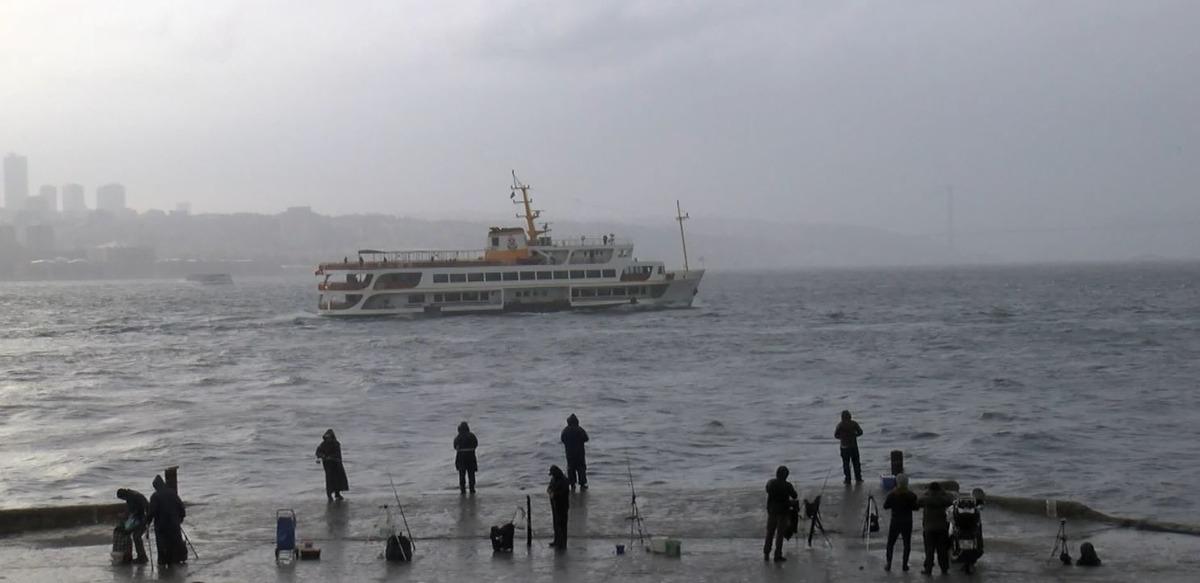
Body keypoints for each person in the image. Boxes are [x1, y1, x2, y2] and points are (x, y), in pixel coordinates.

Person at [146, 475, 187, 566]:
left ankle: (164, 561)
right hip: (174, 523)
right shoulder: (172, 493)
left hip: (162, 525)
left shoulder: (155, 496)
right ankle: (178, 558)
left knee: (162, 544)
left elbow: (152, 512)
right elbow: (181, 506)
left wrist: (147, 523)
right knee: (176, 541)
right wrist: (180, 518)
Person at [883, 473, 919, 572]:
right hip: (907, 522)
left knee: (890, 543)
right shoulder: (911, 495)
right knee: (907, 544)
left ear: (896, 483)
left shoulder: (892, 494)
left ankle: (889, 563)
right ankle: (904, 565)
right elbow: (916, 508)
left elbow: (885, 506)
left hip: (895, 521)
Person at [763, 465, 799, 562]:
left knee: (770, 532)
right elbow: (794, 496)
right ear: (786, 475)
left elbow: (767, 490)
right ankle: (777, 555)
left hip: (771, 511)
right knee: (780, 534)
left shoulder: (771, 483)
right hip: (782, 512)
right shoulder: (787, 485)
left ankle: (766, 552)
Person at [918, 481, 954, 575]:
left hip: (928, 528)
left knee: (929, 550)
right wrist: (943, 492)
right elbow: (951, 500)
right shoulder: (943, 499)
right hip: (942, 528)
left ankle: (928, 569)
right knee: (942, 550)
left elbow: (918, 502)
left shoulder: (926, 499)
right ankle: (944, 569)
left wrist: (927, 493)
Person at [116, 488, 150, 564]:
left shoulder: (131, 497)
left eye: (122, 498)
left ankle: (142, 557)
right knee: (135, 536)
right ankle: (140, 556)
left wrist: (124, 516)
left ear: (123, 496)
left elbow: (132, 511)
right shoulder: (133, 494)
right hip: (144, 516)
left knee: (136, 536)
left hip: (142, 518)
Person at [316, 429, 350, 501]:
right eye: (327, 437)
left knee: (338, 479)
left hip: (336, 465)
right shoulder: (323, 444)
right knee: (329, 480)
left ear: (332, 437)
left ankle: (337, 494)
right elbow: (318, 452)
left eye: (329, 437)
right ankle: (329, 495)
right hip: (328, 466)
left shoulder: (336, 444)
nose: (328, 439)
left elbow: (337, 454)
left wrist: (331, 457)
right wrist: (322, 456)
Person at [560, 414, 589, 490]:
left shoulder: (565, 430)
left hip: (569, 453)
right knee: (581, 469)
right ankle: (582, 484)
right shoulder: (579, 429)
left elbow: (562, 439)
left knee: (571, 469)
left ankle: (572, 484)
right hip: (580, 453)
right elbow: (586, 438)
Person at [834, 410, 864, 484]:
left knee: (846, 464)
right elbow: (860, 432)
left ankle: (848, 480)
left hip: (844, 447)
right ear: (850, 416)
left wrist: (841, 438)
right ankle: (858, 478)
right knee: (856, 463)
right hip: (853, 446)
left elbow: (836, 435)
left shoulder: (840, 425)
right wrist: (855, 435)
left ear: (842, 417)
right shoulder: (854, 424)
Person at [547, 465, 571, 549]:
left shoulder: (564, 480)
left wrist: (555, 494)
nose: (552, 476)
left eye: (553, 474)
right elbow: (549, 487)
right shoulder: (553, 479)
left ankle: (562, 544)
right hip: (555, 505)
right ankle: (556, 541)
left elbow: (563, 493)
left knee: (562, 525)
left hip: (562, 506)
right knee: (556, 525)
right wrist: (550, 491)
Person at [453, 421, 479, 494]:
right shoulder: (472, 436)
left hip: (461, 457)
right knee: (471, 473)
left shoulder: (458, 437)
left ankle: (463, 489)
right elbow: (476, 444)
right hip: (471, 456)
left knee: (462, 474)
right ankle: (472, 488)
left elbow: (455, 447)